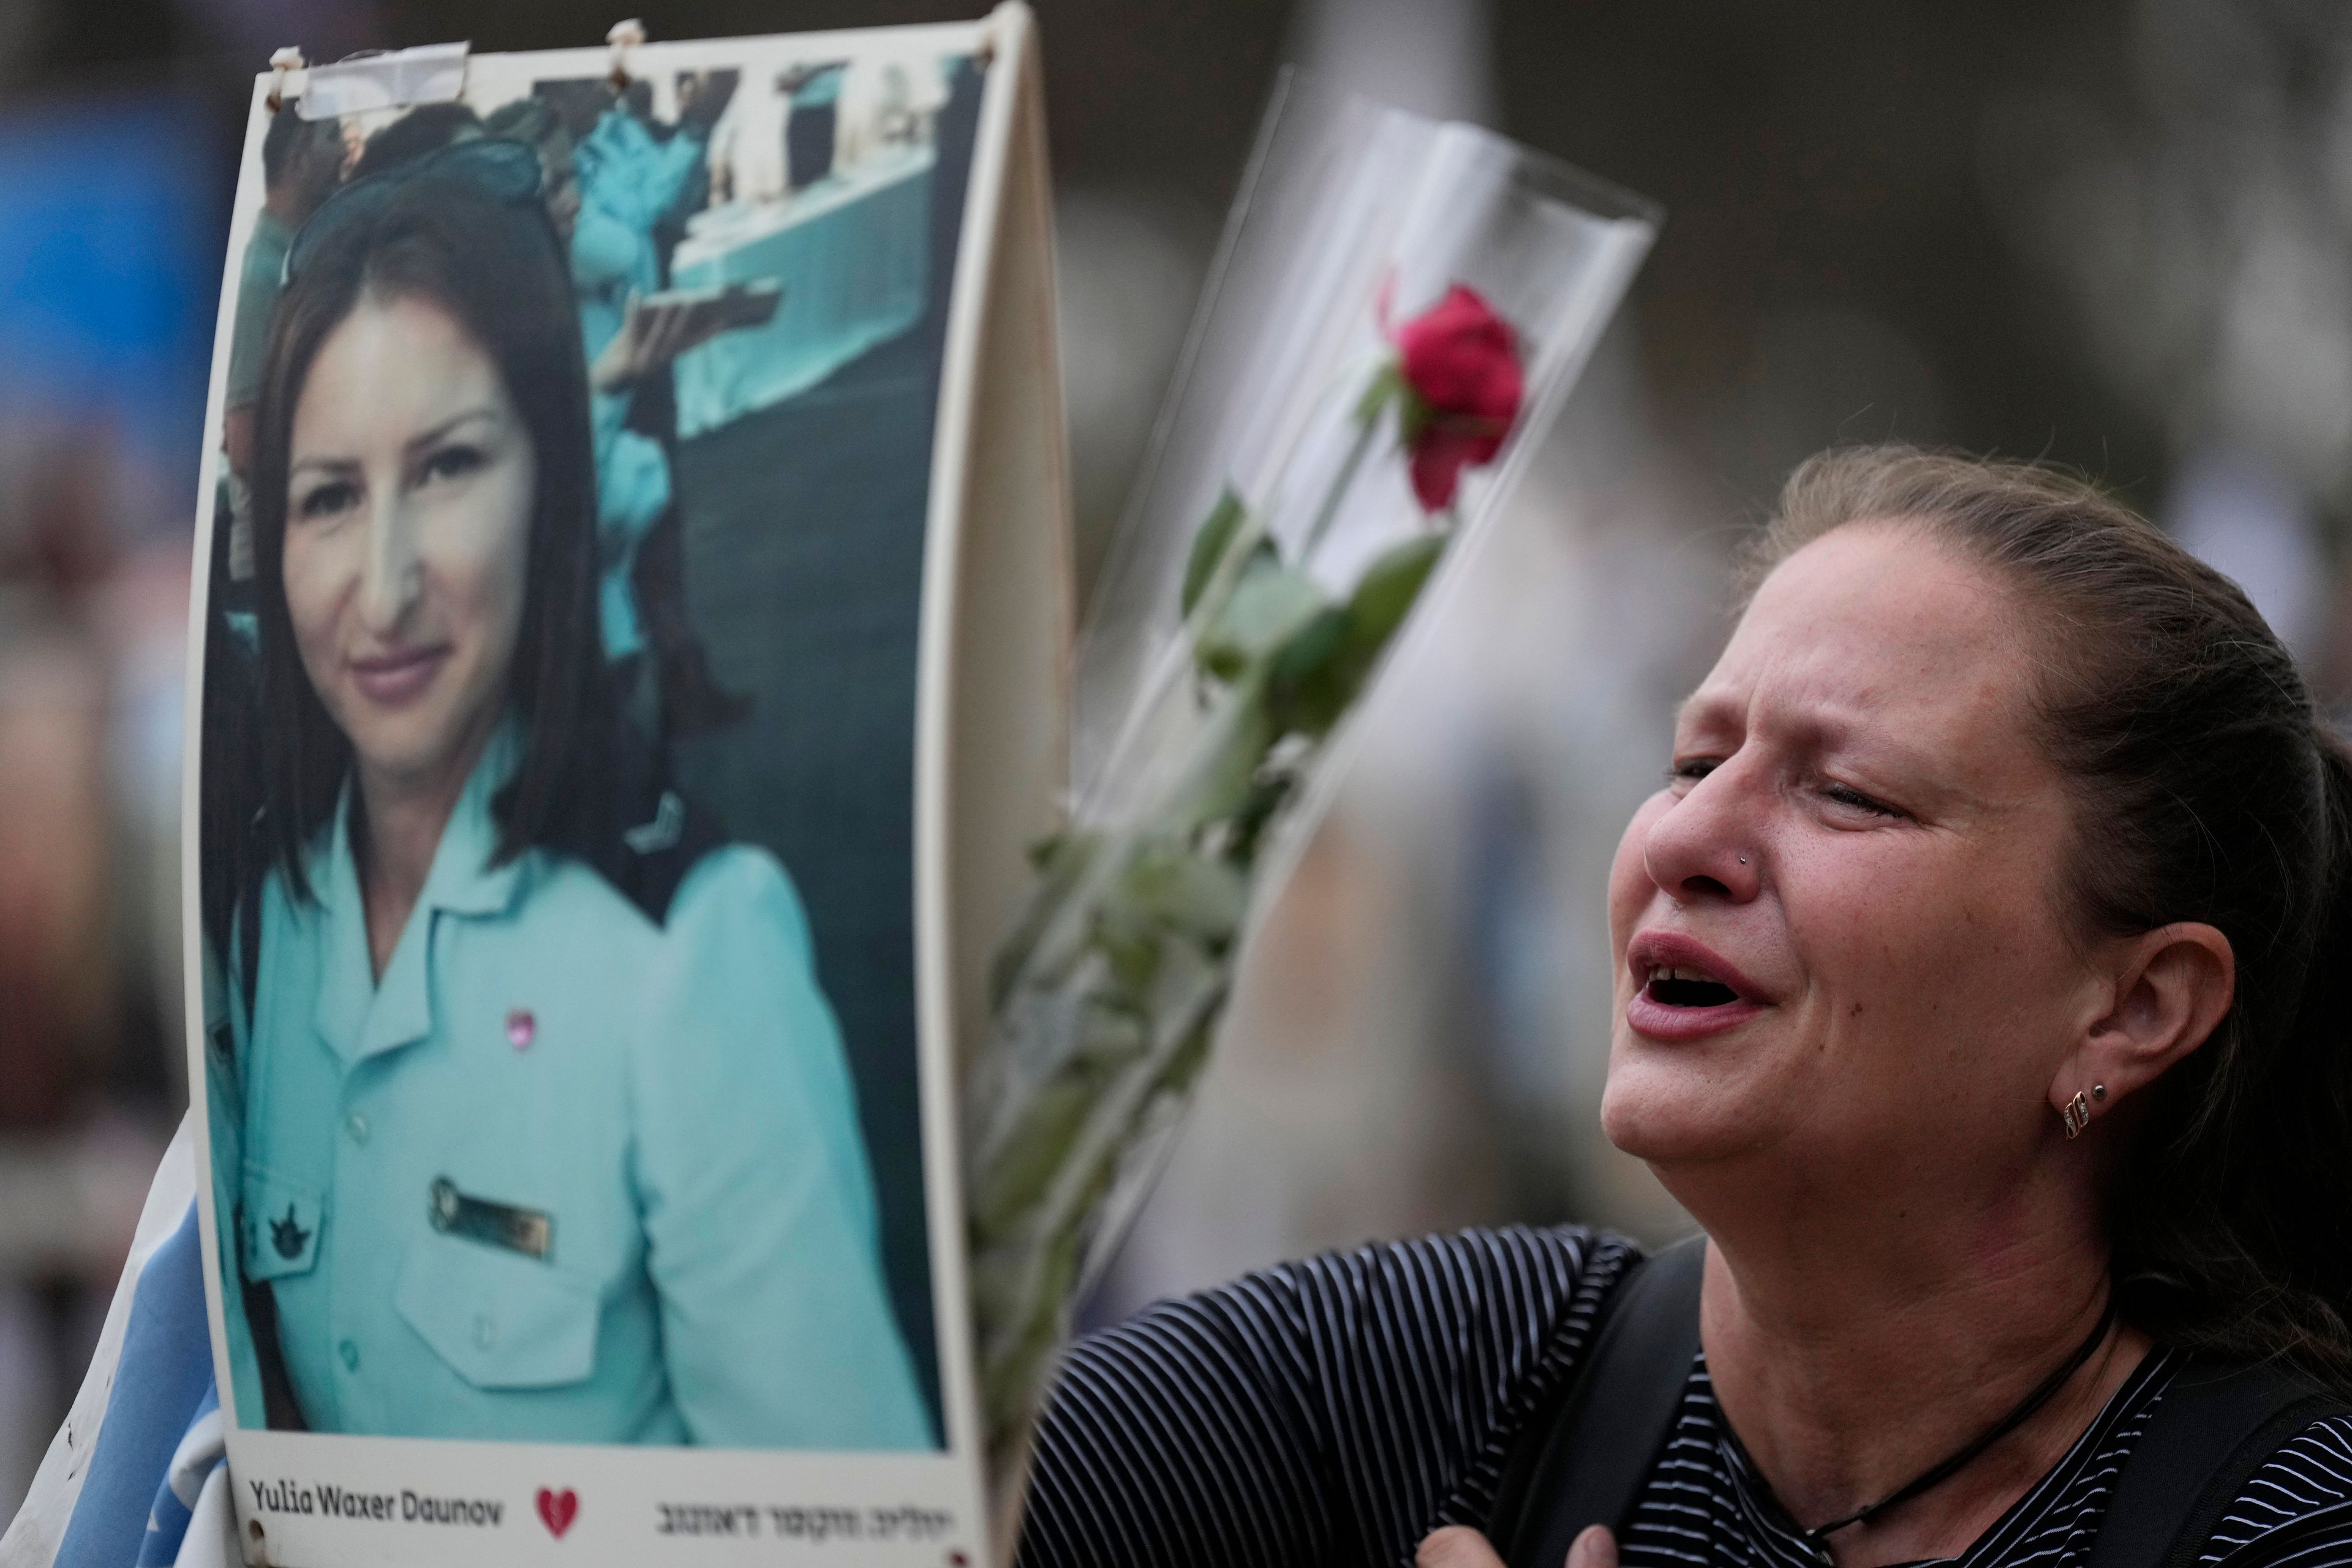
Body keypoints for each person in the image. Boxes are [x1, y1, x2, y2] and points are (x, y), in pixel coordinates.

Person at [1014, 447, 2352, 1566]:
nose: (1683, 833)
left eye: (1849, 792)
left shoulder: (2287, 1527)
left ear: (2132, 1005)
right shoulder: (1411, 1392)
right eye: (1694, 757)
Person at [213, 139, 931, 1449]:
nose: (383, 588)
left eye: (447, 468)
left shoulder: (693, 953)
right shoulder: (254, 936)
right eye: (328, 497)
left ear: (553, 481)